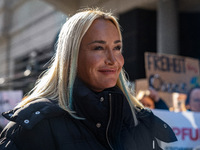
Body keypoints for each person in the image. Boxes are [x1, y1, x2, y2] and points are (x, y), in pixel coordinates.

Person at [0, 8, 177, 150]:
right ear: (71, 56)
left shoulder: (137, 120)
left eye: (117, 48)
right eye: (99, 48)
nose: (113, 59)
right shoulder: (35, 126)